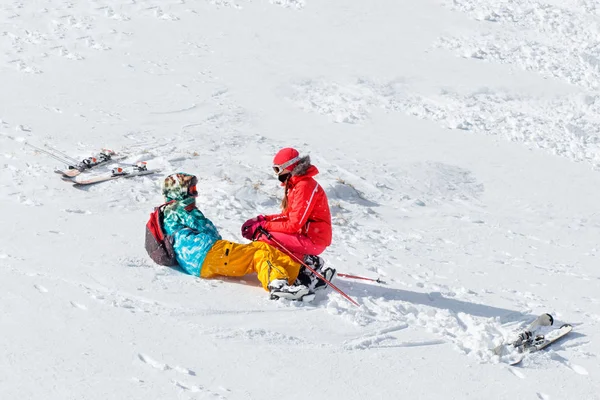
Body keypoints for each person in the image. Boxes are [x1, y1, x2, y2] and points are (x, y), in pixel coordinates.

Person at [160, 172, 313, 301]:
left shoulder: (167, 212)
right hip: (207, 252)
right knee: (259, 254)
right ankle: (278, 283)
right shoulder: (182, 209)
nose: (195, 194)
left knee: (261, 247)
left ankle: (294, 271)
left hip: (196, 261)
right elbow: (209, 231)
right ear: (179, 192)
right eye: (191, 190)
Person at [240, 147, 335, 291]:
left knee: (264, 236)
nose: (276, 174)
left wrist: (264, 226)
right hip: (306, 236)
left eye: (277, 169)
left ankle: (305, 265)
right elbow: (288, 215)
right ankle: (303, 265)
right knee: (264, 235)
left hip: (315, 240)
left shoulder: (304, 186)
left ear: (288, 167)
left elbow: (293, 224)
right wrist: (262, 219)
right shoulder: (296, 185)